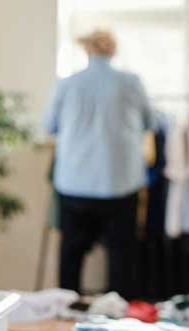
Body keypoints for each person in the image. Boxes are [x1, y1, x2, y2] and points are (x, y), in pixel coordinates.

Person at [43, 29, 156, 294]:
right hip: (120, 183)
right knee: (121, 257)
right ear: (112, 50)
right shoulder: (131, 83)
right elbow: (149, 123)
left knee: (71, 254)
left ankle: (67, 313)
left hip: (75, 182)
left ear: (87, 50)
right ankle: (119, 318)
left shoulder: (67, 84)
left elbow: (49, 126)